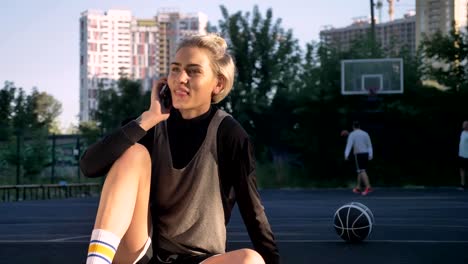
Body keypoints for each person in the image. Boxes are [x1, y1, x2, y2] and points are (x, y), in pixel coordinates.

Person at [80, 34, 280, 264]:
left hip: (199, 259)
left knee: (250, 261)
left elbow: (253, 213)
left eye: (193, 71)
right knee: (134, 153)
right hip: (142, 256)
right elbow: (88, 166)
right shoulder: (150, 127)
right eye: (175, 69)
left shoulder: (230, 134)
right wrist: (147, 119)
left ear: (218, 84)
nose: (180, 78)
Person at [344, 121, 373, 196]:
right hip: (365, 153)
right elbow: (369, 144)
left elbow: (349, 145)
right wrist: (370, 154)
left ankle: (368, 187)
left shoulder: (352, 134)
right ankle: (358, 187)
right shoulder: (365, 133)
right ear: (359, 126)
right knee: (360, 170)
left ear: (353, 127)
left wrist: (346, 155)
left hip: (358, 154)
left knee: (362, 170)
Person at [458, 120, 468, 190]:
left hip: (467, 155)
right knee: (462, 169)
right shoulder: (462, 133)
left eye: (464, 124)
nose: (463, 125)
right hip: (462, 154)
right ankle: (463, 184)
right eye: (463, 124)